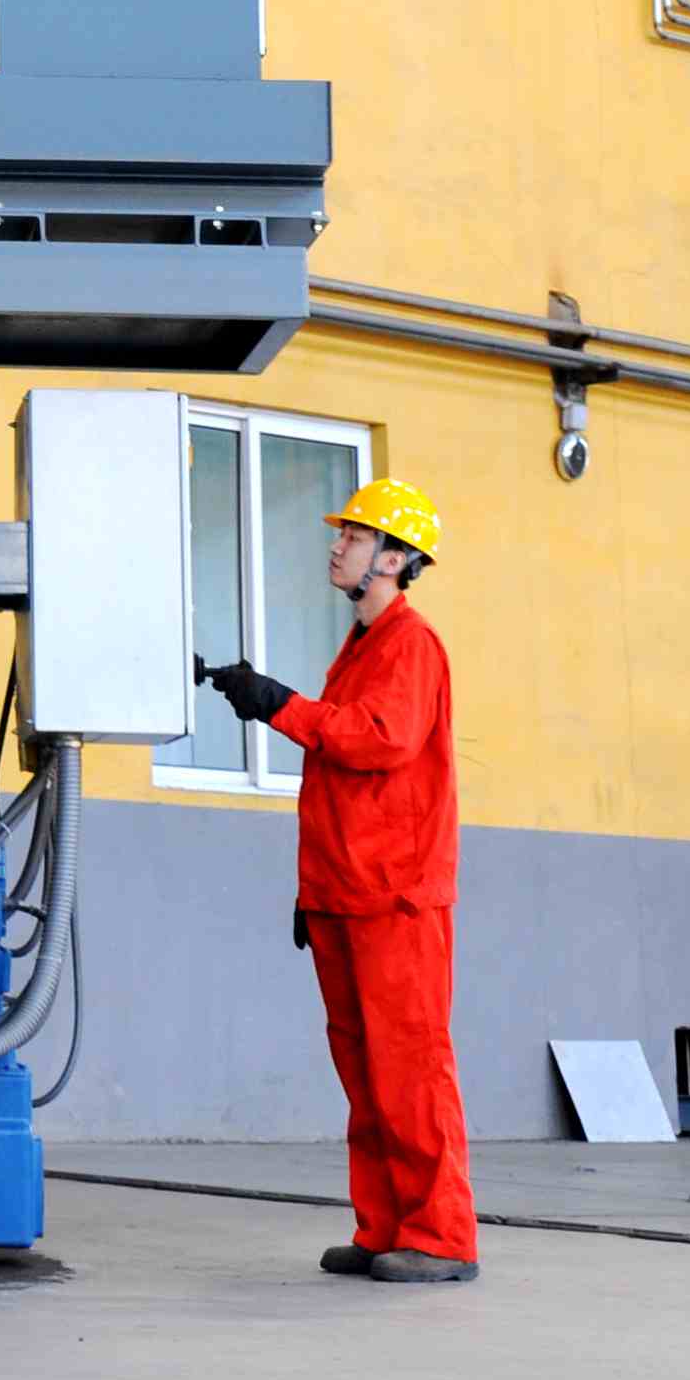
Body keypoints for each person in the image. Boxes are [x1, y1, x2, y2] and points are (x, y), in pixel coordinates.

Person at [199, 475, 477, 1285]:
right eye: (343, 533)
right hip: (346, 895)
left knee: (409, 1069)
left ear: (392, 558)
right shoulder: (360, 645)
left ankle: (441, 1235)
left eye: (353, 535)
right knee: (364, 1073)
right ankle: (384, 1225)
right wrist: (312, 891)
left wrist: (277, 703)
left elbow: (376, 740)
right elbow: (341, 787)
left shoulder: (410, 644)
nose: (337, 544)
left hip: (394, 898)